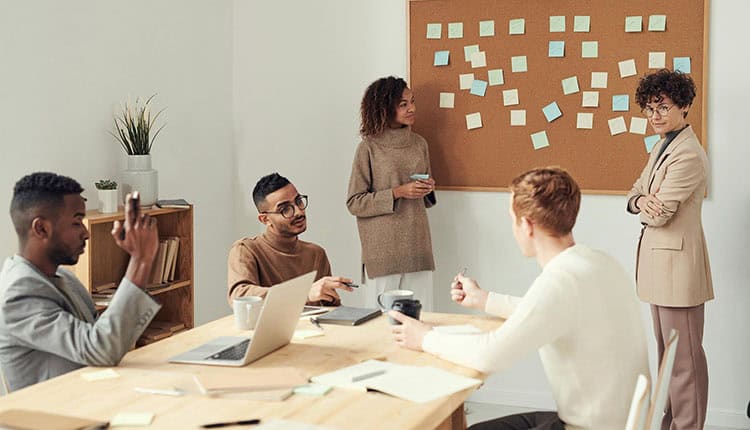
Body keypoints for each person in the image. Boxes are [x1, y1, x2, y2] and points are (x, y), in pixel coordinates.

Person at [390, 167, 649, 430]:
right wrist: (484, 299)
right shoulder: (597, 262)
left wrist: (425, 338)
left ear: (526, 225)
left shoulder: (560, 281)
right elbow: (546, 312)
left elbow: (489, 354)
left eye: (512, 219)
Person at [0, 173, 161, 391]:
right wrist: (141, 260)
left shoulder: (65, 277)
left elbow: (103, 339)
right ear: (41, 229)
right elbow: (101, 348)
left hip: (93, 399)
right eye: (77, 222)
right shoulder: (19, 293)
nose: (86, 233)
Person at [626, 69, 712, 430]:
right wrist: (640, 201)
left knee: (685, 365)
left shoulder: (688, 154)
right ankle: (670, 425)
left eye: (662, 107)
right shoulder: (663, 146)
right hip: (660, 269)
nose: (654, 116)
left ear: (685, 105)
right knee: (668, 360)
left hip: (678, 270)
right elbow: (635, 193)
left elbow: (660, 215)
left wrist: (644, 202)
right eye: (648, 109)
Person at [346, 76, 437, 311]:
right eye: (403, 104)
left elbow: (425, 199)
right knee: (381, 323)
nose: (412, 108)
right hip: (383, 252)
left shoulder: (419, 143)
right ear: (384, 107)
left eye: (412, 101)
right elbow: (355, 203)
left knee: (422, 319)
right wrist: (398, 192)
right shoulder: (368, 147)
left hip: (417, 246)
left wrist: (427, 189)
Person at [228, 173, 353, 306]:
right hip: (270, 327)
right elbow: (239, 296)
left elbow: (330, 312)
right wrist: (303, 293)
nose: (299, 212)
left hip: (313, 327)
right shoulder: (246, 250)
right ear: (266, 219)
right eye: (285, 209)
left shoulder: (316, 253)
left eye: (298, 201)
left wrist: (331, 298)